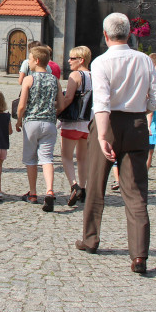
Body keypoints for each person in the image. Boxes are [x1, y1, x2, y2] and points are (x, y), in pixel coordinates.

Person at [76, 12, 156, 275]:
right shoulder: (145, 61)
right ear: (130, 34)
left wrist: (102, 136)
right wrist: (139, 108)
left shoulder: (101, 63)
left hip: (109, 124)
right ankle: (139, 255)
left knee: (96, 183)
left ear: (105, 35)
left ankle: (91, 239)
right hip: (136, 124)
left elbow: (101, 102)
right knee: (136, 191)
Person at [17, 45, 60, 211]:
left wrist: (19, 120)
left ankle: (33, 193)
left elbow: (22, 105)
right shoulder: (54, 79)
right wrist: (50, 113)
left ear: (36, 60)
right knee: (47, 158)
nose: (28, 62)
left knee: (30, 159)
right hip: (49, 123)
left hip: (32, 122)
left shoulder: (29, 79)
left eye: (29, 59)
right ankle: (49, 190)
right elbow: (60, 104)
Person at [58, 46, 92, 207]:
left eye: (72, 58)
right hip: (88, 122)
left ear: (81, 60)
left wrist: (56, 111)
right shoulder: (95, 75)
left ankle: (74, 185)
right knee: (83, 158)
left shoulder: (75, 75)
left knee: (66, 156)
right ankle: (84, 188)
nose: (69, 61)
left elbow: (68, 98)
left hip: (72, 121)